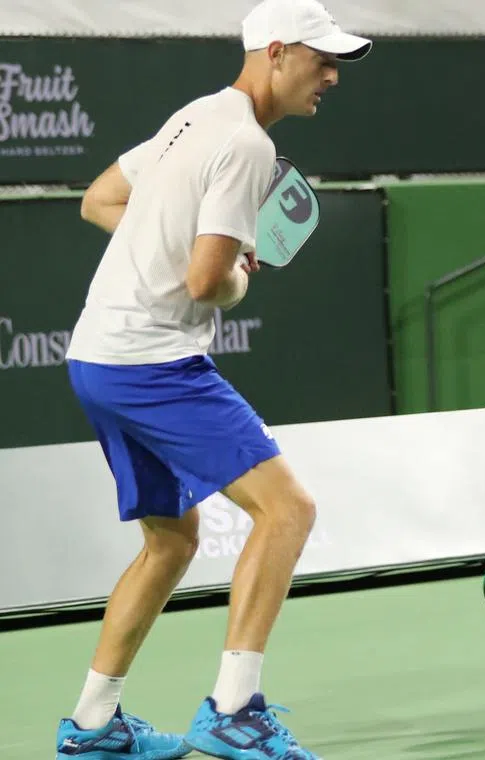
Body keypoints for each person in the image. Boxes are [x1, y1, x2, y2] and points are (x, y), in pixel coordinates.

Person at [55, 1, 371, 758]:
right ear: (273, 52)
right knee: (288, 509)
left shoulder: (193, 116)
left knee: (171, 541)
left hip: (96, 356)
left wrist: (181, 245)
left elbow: (99, 200)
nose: (331, 74)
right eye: (320, 58)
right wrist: (236, 271)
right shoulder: (246, 145)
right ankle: (234, 710)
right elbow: (205, 284)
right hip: (152, 361)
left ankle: (93, 724)